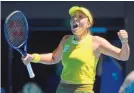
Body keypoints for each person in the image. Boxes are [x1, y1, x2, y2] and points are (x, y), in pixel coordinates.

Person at [22, 6, 130, 93]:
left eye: (80, 16)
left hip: (83, 89)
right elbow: (54, 58)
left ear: (88, 24)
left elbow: (123, 56)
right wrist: (33, 57)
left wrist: (124, 43)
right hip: (62, 89)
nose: (75, 18)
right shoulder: (66, 40)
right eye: (73, 17)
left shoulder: (96, 42)